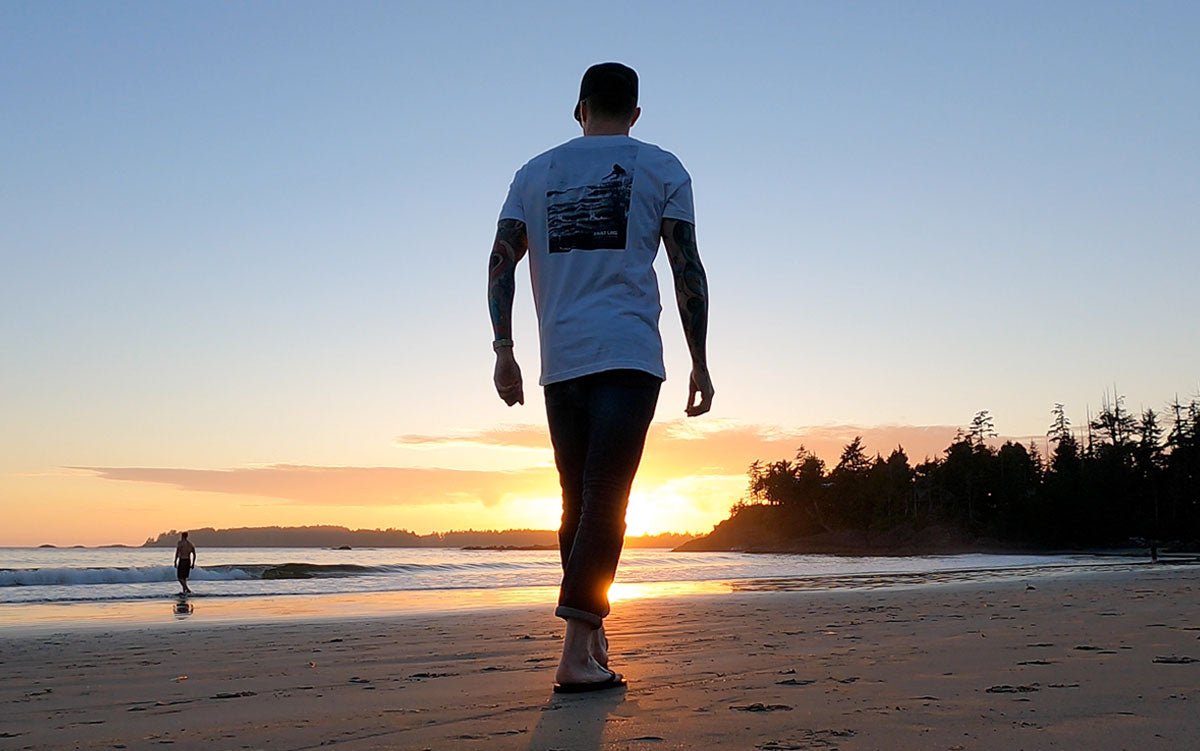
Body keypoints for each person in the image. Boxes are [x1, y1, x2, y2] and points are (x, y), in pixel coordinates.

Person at [488, 62, 713, 693]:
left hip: (562, 360)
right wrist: (699, 359)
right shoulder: (663, 167)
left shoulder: (534, 172)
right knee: (606, 501)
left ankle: (590, 640)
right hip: (630, 353)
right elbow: (687, 268)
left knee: (578, 502)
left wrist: (503, 348)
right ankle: (574, 654)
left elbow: (500, 261)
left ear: (580, 108)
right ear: (635, 113)